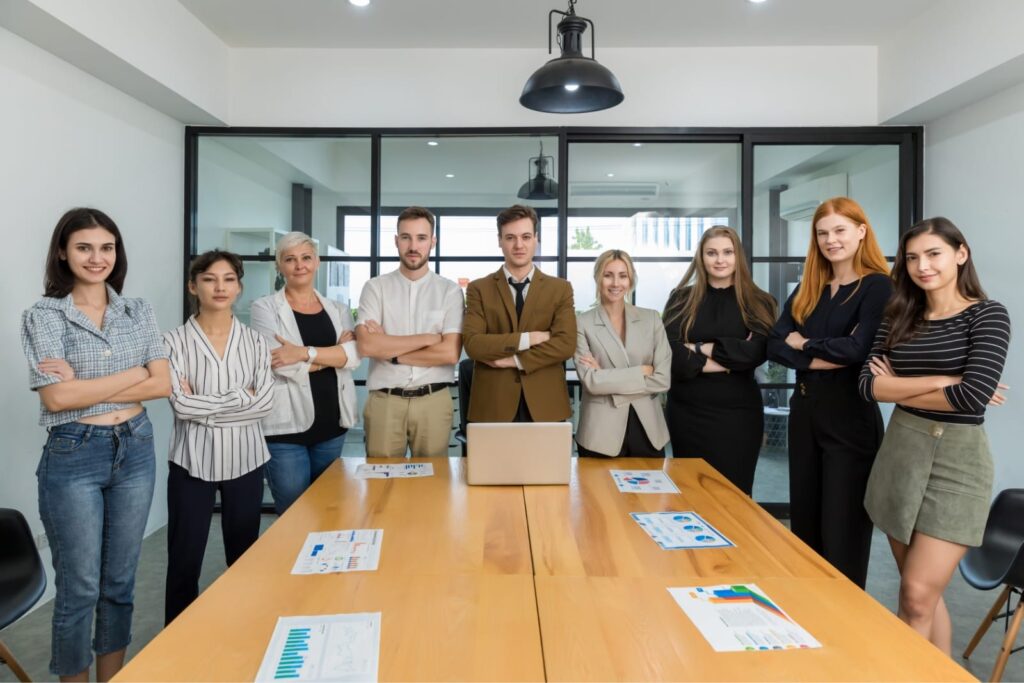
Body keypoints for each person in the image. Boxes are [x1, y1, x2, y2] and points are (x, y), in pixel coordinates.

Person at [20, 208, 170, 682]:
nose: (96, 258)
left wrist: (85, 385)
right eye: (84, 247)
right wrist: (135, 372)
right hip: (74, 453)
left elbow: (163, 384)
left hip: (136, 447)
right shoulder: (44, 316)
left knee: (119, 583)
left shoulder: (138, 310)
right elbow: (57, 398)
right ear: (63, 253)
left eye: (107, 248)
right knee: (80, 588)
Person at [859, 218, 1010, 655]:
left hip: (957, 462)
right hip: (901, 451)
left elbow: (972, 397)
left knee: (917, 594)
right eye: (912, 258)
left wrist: (899, 385)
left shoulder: (988, 315)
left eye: (933, 254)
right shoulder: (898, 315)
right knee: (921, 596)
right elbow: (868, 387)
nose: (922, 266)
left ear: (961, 254)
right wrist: (944, 379)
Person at [766, 196, 892, 588]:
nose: (830, 240)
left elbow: (857, 350)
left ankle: (845, 615)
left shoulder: (877, 286)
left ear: (861, 231)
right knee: (805, 526)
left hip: (849, 420)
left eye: (840, 230)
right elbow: (774, 345)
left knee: (843, 533)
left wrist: (803, 344)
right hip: (805, 414)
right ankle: (812, 612)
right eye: (822, 233)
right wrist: (824, 352)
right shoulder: (810, 288)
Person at [163, 250, 274, 624]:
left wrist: (204, 409)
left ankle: (243, 633)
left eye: (228, 279)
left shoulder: (256, 342)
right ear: (193, 286)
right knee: (184, 561)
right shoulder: (172, 342)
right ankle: (177, 645)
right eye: (209, 279)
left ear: (239, 287)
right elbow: (181, 406)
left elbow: (265, 405)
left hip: (246, 460)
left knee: (244, 559)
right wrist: (241, 396)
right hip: (190, 464)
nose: (220, 287)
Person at [250, 232, 361, 513]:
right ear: (279, 265)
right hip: (285, 430)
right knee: (294, 511)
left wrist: (303, 353)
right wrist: (332, 356)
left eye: (306, 257)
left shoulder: (338, 309)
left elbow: (353, 357)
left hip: (332, 424)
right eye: (290, 259)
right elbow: (278, 362)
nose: (299, 265)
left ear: (317, 262)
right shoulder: (264, 307)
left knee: (328, 509)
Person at [662, 226, 776, 493]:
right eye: (711, 253)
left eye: (727, 252)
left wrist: (697, 347)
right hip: (687, 413)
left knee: (734, 495)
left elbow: (755, 353)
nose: (720, 260)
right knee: (690, 495)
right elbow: (669, 353)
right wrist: (730, 358)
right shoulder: (681, 299)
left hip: (739, 415)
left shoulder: (759, 301)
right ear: (701, 257)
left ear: (738, 256)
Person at [355, 207, 464, 456]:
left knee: (432, 478)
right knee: (380, 478)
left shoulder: (449, 291)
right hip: (384, 402)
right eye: (406, 237)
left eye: (421, 238)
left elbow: (449, 353)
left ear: (433, 242)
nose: (413, 246)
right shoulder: (375, 288)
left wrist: (391, 350)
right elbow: (367, 346)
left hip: (433, 401)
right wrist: (428, 339)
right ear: (396, 241)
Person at [463, 204, 576, 422]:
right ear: (499, 240)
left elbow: (566, 344)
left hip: (546, 404)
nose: (519, 245)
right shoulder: (479, 289)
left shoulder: (560, 288)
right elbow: (473, 344)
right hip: (493, 405)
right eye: (510, 238)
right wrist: (530, 338)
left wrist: (513, 360)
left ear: (536, 239)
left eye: (526, 237)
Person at [575, 250, 670, 457]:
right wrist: (642, 371)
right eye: (608, 275)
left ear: (631, 280)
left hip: (648, 429)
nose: (616, 283)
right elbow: (591, 382)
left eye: (623, 276)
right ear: (598, 278)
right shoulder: (582, 323)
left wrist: (605, 378)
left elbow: (663, 380)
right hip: (600, 432)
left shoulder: (651, 319)